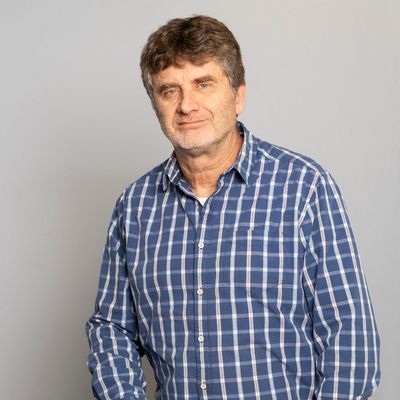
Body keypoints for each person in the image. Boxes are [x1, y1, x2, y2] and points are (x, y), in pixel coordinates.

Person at [86, 15, 380, 400]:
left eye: (203, 84)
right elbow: (112, 329)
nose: (186, 105)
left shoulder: (304, 188)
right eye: (170, 90)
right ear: (155, 104)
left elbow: (350, 338)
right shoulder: (135, 207)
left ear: (238, 95)